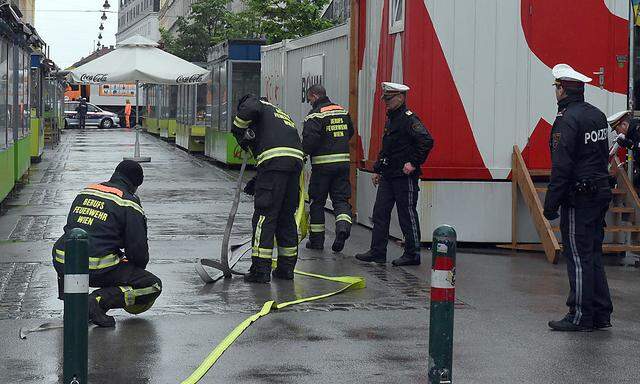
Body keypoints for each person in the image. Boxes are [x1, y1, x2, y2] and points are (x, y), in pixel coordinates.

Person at [543, 63, 613, 332]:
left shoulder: (566, 119)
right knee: (593, 253)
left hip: (579, 197)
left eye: (557, 87)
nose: (556, 91)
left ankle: (580, 314)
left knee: (578, 255)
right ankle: (600, 312)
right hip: (599, 192)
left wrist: (551, 203)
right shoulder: (597, 115)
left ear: (562, 90)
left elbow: (562, 166)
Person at [52, 160, 162, 327]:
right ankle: (98, 301)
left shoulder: (87, 191)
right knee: (153, 285)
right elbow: (138, 254)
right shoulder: (129, 203)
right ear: (135, 184)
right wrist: (130, 271)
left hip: (63, 262)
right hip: (95, 268)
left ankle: (72, 303)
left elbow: (73, 227)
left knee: (78, 250)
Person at [355, 82, 434, 266]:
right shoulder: (392, 118)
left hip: (404, 176)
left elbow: (427, 141)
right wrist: (378, 170)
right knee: (380, 213)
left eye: (389, 99)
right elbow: (388, 147)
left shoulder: (409, 119)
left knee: (406, 214)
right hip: (389, 174)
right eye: (385, 99)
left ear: (400, 97)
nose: (386, 103)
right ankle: (377, 251)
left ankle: (412, 254)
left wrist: (413, 163)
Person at [232, 94, 304, 283]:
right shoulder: (279, 114)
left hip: (275, 163)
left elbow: (250, 108)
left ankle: (260, 270)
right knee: (286, 217)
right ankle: (286, 269)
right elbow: (278, 149)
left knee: (265, 216)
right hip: (293, 164)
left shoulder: (255, 103)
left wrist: (238, 130)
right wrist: (258, 180)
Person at [302, 84, 354, 252]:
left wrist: (302, 155)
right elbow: (350, 132)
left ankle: (317, 241)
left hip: (322, 167)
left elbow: (310, 141)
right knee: (341, 200)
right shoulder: (342, 111)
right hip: (343, 165)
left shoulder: (315, 115)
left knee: (317, 202)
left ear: (315, 96)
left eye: (309, 98)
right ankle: (343, 228)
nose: (309, 102)